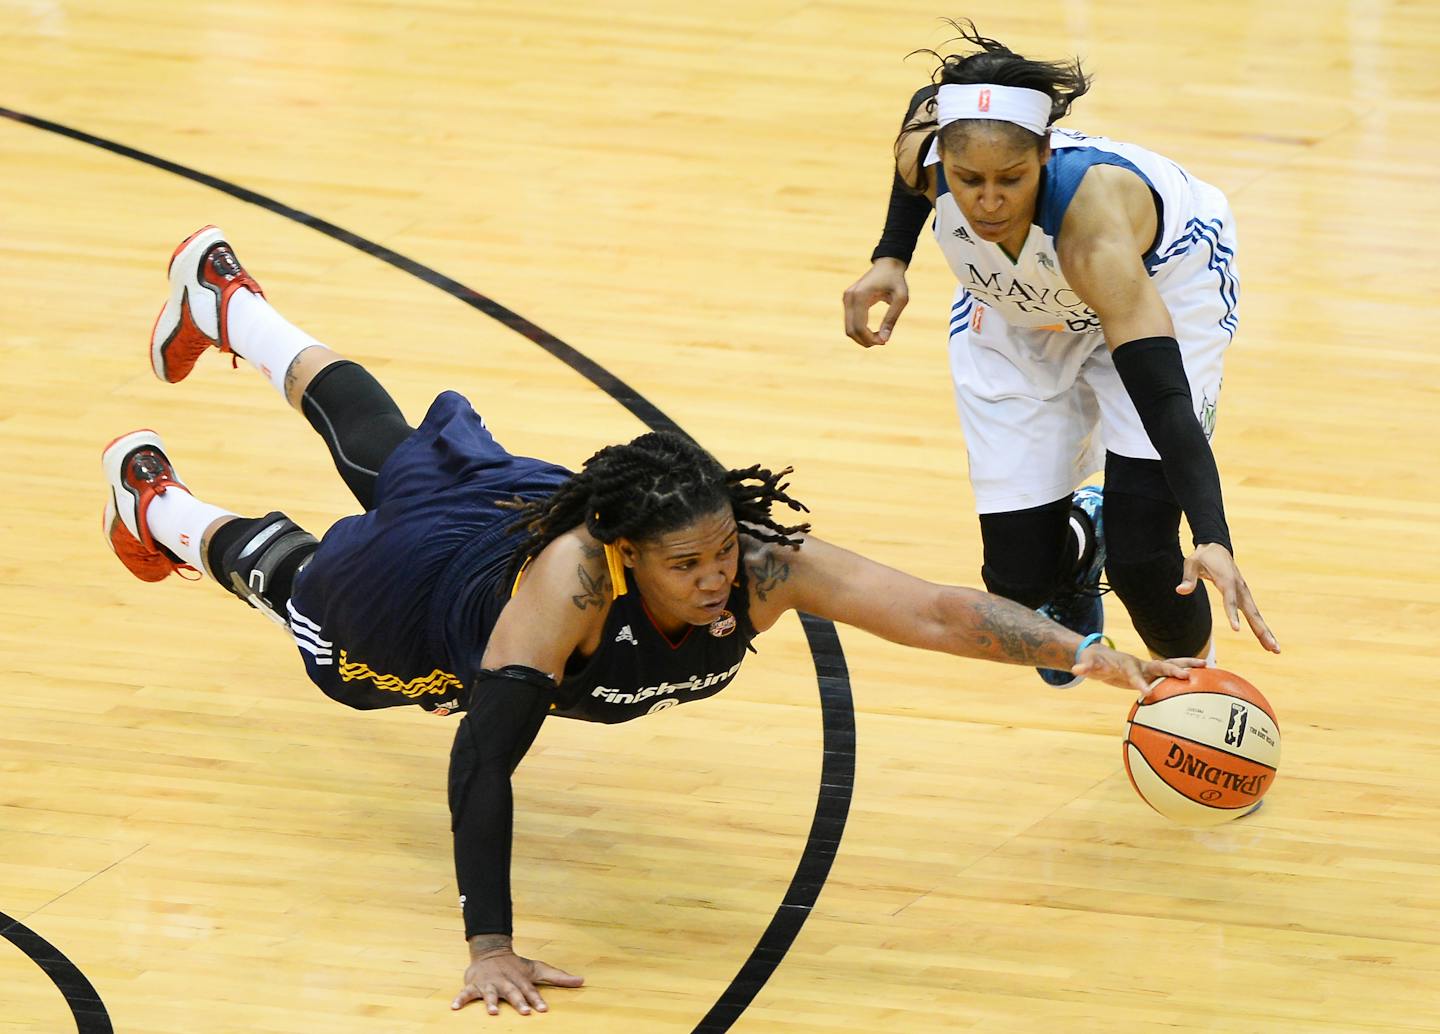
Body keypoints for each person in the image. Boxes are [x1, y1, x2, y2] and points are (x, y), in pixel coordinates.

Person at [103, 225, 1202, 1016]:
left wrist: (1090, 652)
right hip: (428, 604)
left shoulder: (749, 563)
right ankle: (165, 509)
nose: (721, 578)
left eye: (725, 549)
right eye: (690, 565)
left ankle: (229, 303)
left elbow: (931, 609)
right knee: (309, 600)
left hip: (508, 507)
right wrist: (490, 941)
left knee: (400, 452)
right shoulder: (564, 598)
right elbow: (485, 758)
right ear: (625, 558)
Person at [842, 21, 1280, 687]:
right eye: (968, 180)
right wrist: (890, 259)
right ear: (942, 162)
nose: (988, 202)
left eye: (1010, 180)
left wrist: (1213, 536)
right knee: (1016, 583)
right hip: (1022, 307)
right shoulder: (928, 151)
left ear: (1045, 153)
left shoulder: (1093, 232)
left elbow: (1164, 401)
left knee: (1147, 564)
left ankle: (1196, 701)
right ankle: (1080, 547)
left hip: (1159, 283)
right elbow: (914, 163)